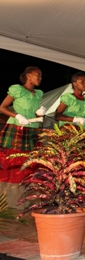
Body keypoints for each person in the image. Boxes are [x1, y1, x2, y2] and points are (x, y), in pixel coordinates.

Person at [0, 66, 45, 208]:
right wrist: (17, 115)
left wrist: (39, 114)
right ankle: (10, 200)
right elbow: (2, 107)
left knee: (32, 163)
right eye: (38, 75)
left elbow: (34, 113)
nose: (40, 78)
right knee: (15, 161)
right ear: (28, 76)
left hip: (32, 131)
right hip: (17, 128)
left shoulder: (38, 93)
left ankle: (29, 199)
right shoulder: (17, 89)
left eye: (41, 76)